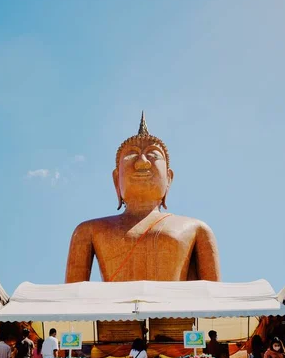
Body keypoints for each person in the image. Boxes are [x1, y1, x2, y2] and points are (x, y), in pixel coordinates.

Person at [65, 112, 220, 283]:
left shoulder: (196, 229)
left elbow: (213, 300)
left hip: (174, 309)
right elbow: (72, 297)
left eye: (153, 155)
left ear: (169, 178)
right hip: (114, 310)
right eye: (131, 155)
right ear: (116, 179)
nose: (142, 162)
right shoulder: (89, 230)